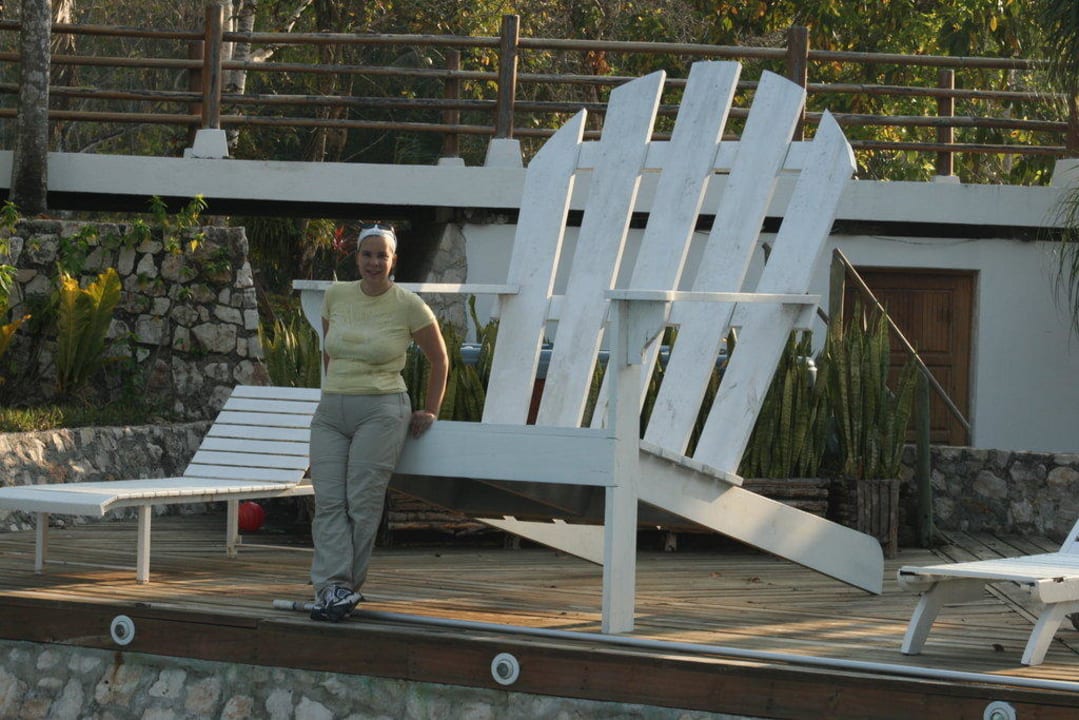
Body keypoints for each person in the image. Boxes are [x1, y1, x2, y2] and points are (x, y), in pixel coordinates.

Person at [308, 223, 448, 622]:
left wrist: (431, 409)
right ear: (356, 258)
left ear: (393, 261)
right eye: (367, 255)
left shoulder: (409, 305)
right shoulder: (336, 296)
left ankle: (343, 587)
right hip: (331, 411)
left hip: (382, 409)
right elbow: (330, 351)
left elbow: (440, 359)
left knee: (361, 501)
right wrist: (336, 388)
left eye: (381, 256)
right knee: (328, 501)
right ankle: (330, 588)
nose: (373, 262)